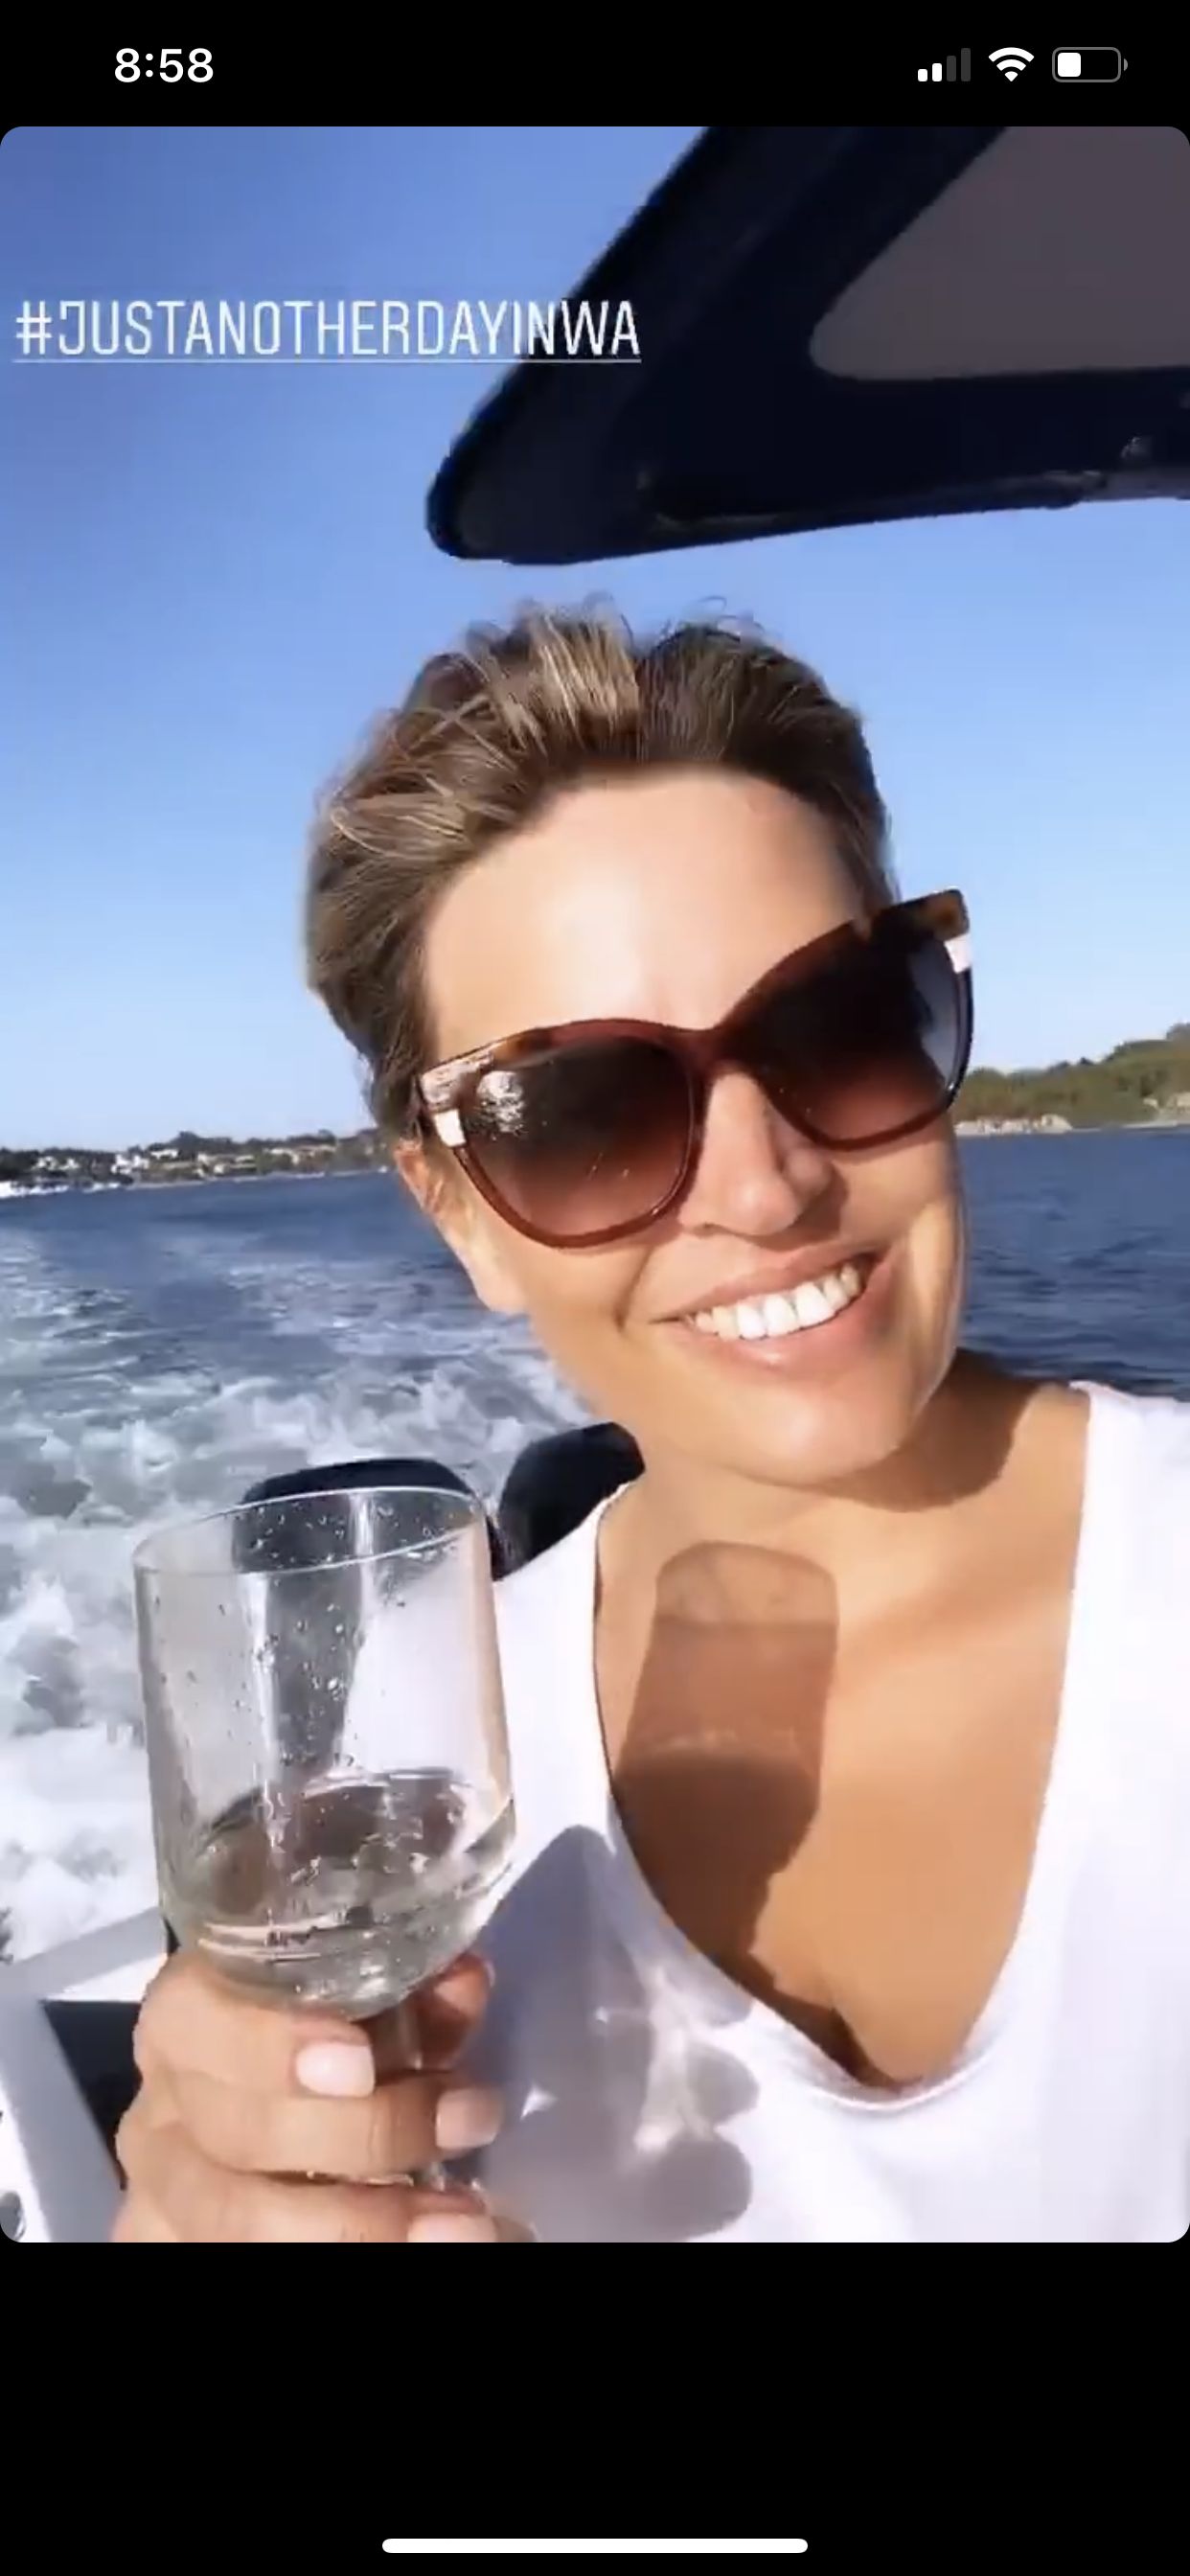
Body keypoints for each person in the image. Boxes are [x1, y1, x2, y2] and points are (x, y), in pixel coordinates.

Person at [114, 610, 1190, 2243]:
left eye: (836, 1025)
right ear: (457, 1212)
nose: (765, 1188)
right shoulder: (400, 1799)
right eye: (586, 1114)